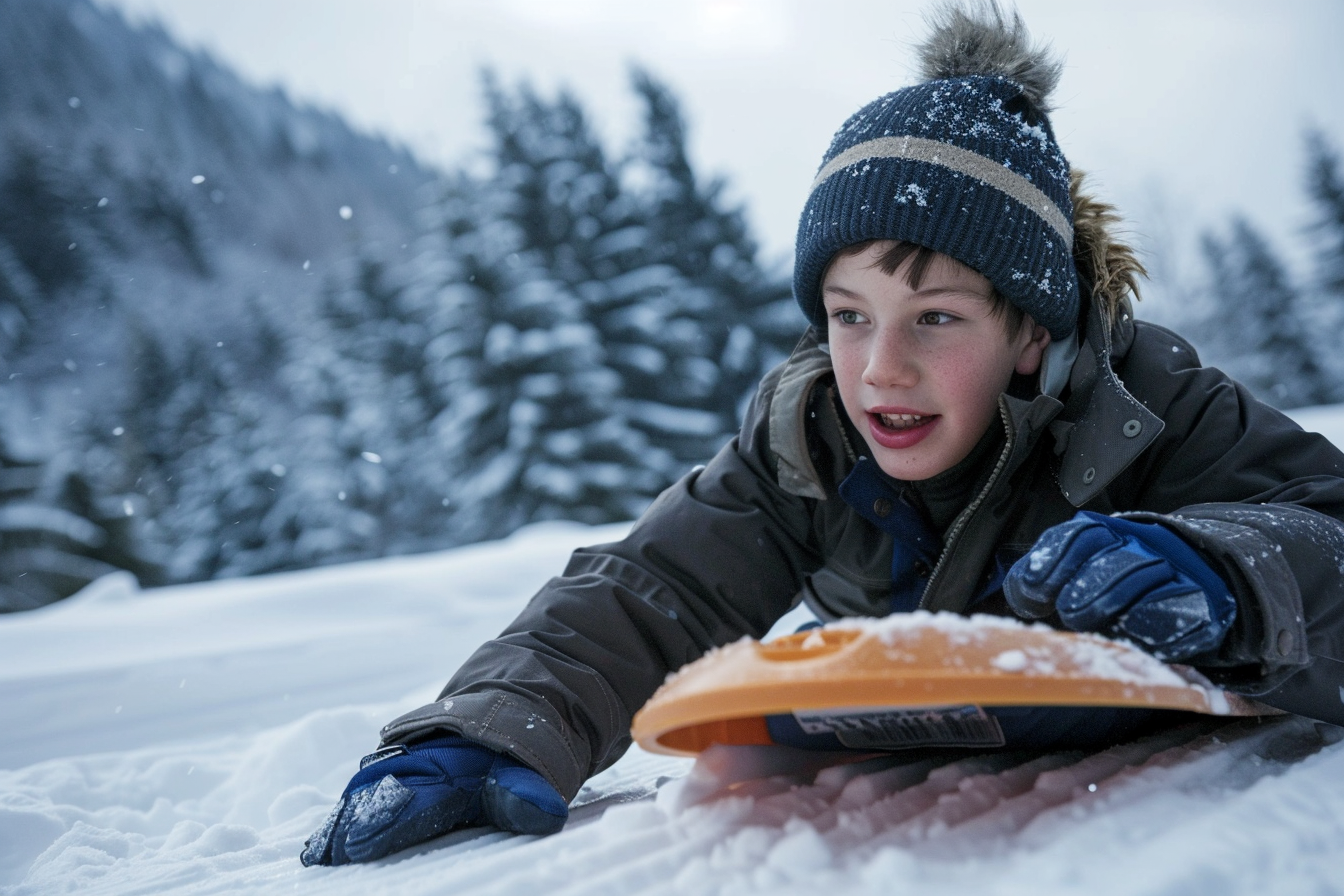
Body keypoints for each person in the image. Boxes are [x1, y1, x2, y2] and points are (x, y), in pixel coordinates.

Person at [301, 1, 1344, 866]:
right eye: (850, 316)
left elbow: (1326, 529)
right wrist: (492, 724)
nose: (881, 367)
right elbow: (652, 590)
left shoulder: (1150, 408)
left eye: (936, 318)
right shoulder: (806, 438)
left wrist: (1230, 572)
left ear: (1033, 331)